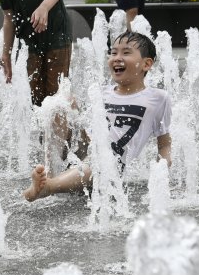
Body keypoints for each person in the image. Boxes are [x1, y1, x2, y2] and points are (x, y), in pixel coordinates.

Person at [23, 31, 172, 202]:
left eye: (126, 52)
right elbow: (86, 126)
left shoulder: (158, 98)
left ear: (146, 64)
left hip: (111, 164)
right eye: (113, 52)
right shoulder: (102, 92)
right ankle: (49, 174)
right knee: (63, 100)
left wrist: (161, 175)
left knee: (102, 158)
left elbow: (164, 146)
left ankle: (48, 187)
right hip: (87, 148)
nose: (117, 57)